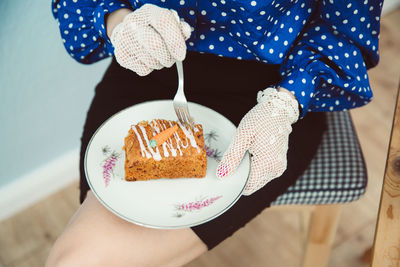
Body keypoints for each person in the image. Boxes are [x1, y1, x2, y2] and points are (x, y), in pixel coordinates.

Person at [46, 0, 383, 266]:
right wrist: (118, 22)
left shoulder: (282, 96)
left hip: (278, 86)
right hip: (149, 60)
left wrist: (285, 103)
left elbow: (345, 32)